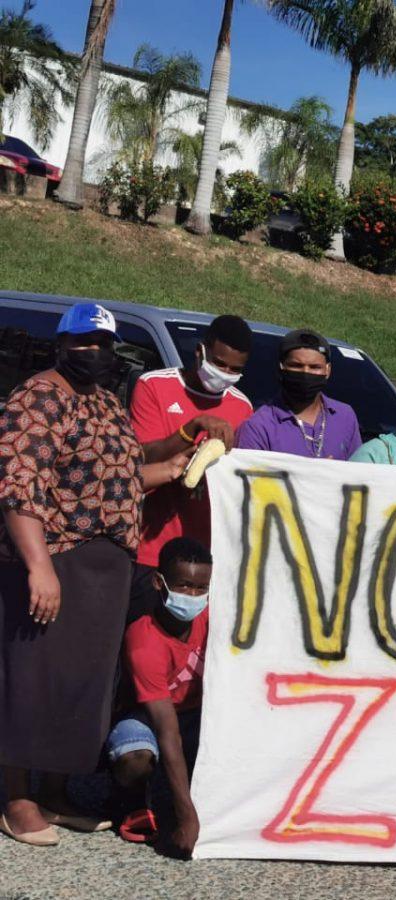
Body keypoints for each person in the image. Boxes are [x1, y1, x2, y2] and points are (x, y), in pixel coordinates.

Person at [0, 303, 189, 847]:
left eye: (105, 343)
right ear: (63, 344)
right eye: (85, 342)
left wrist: (173, 468)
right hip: (57, 557)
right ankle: (16, 798)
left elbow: (125, 477)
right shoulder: (37, 397)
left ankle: (56, 792)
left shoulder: (107, 401)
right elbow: (18, 485)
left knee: (79, 686)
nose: (97, 352)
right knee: (31, 678)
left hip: (107, 568)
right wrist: (39, 567)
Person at [129, 314, 253, 623]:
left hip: (204, 563)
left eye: (235, 369)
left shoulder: (243, 407)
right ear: (200, 352)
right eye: (219, 363)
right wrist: (191, 429)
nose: (225, 374)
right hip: (151, 551)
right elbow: (139, 457)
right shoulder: (155, 386)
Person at [106, 538, 211, 856]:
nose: (192, 596)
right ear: (158, 582)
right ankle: (131, 801)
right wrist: (186, 819)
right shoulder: (144, 641)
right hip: (148, 718)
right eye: (183, 586)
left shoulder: (212, 620)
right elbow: (167, 730)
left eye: (200, 588)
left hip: (196, 715)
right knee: (135, 757)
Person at [235, 329, 362, 461]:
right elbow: (252, 479)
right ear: (281, 368)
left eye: (315, 367)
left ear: (327, 370)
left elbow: (359, 474)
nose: (305, 373)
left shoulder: (345, 416)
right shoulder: (258, 427)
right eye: (296, 365)